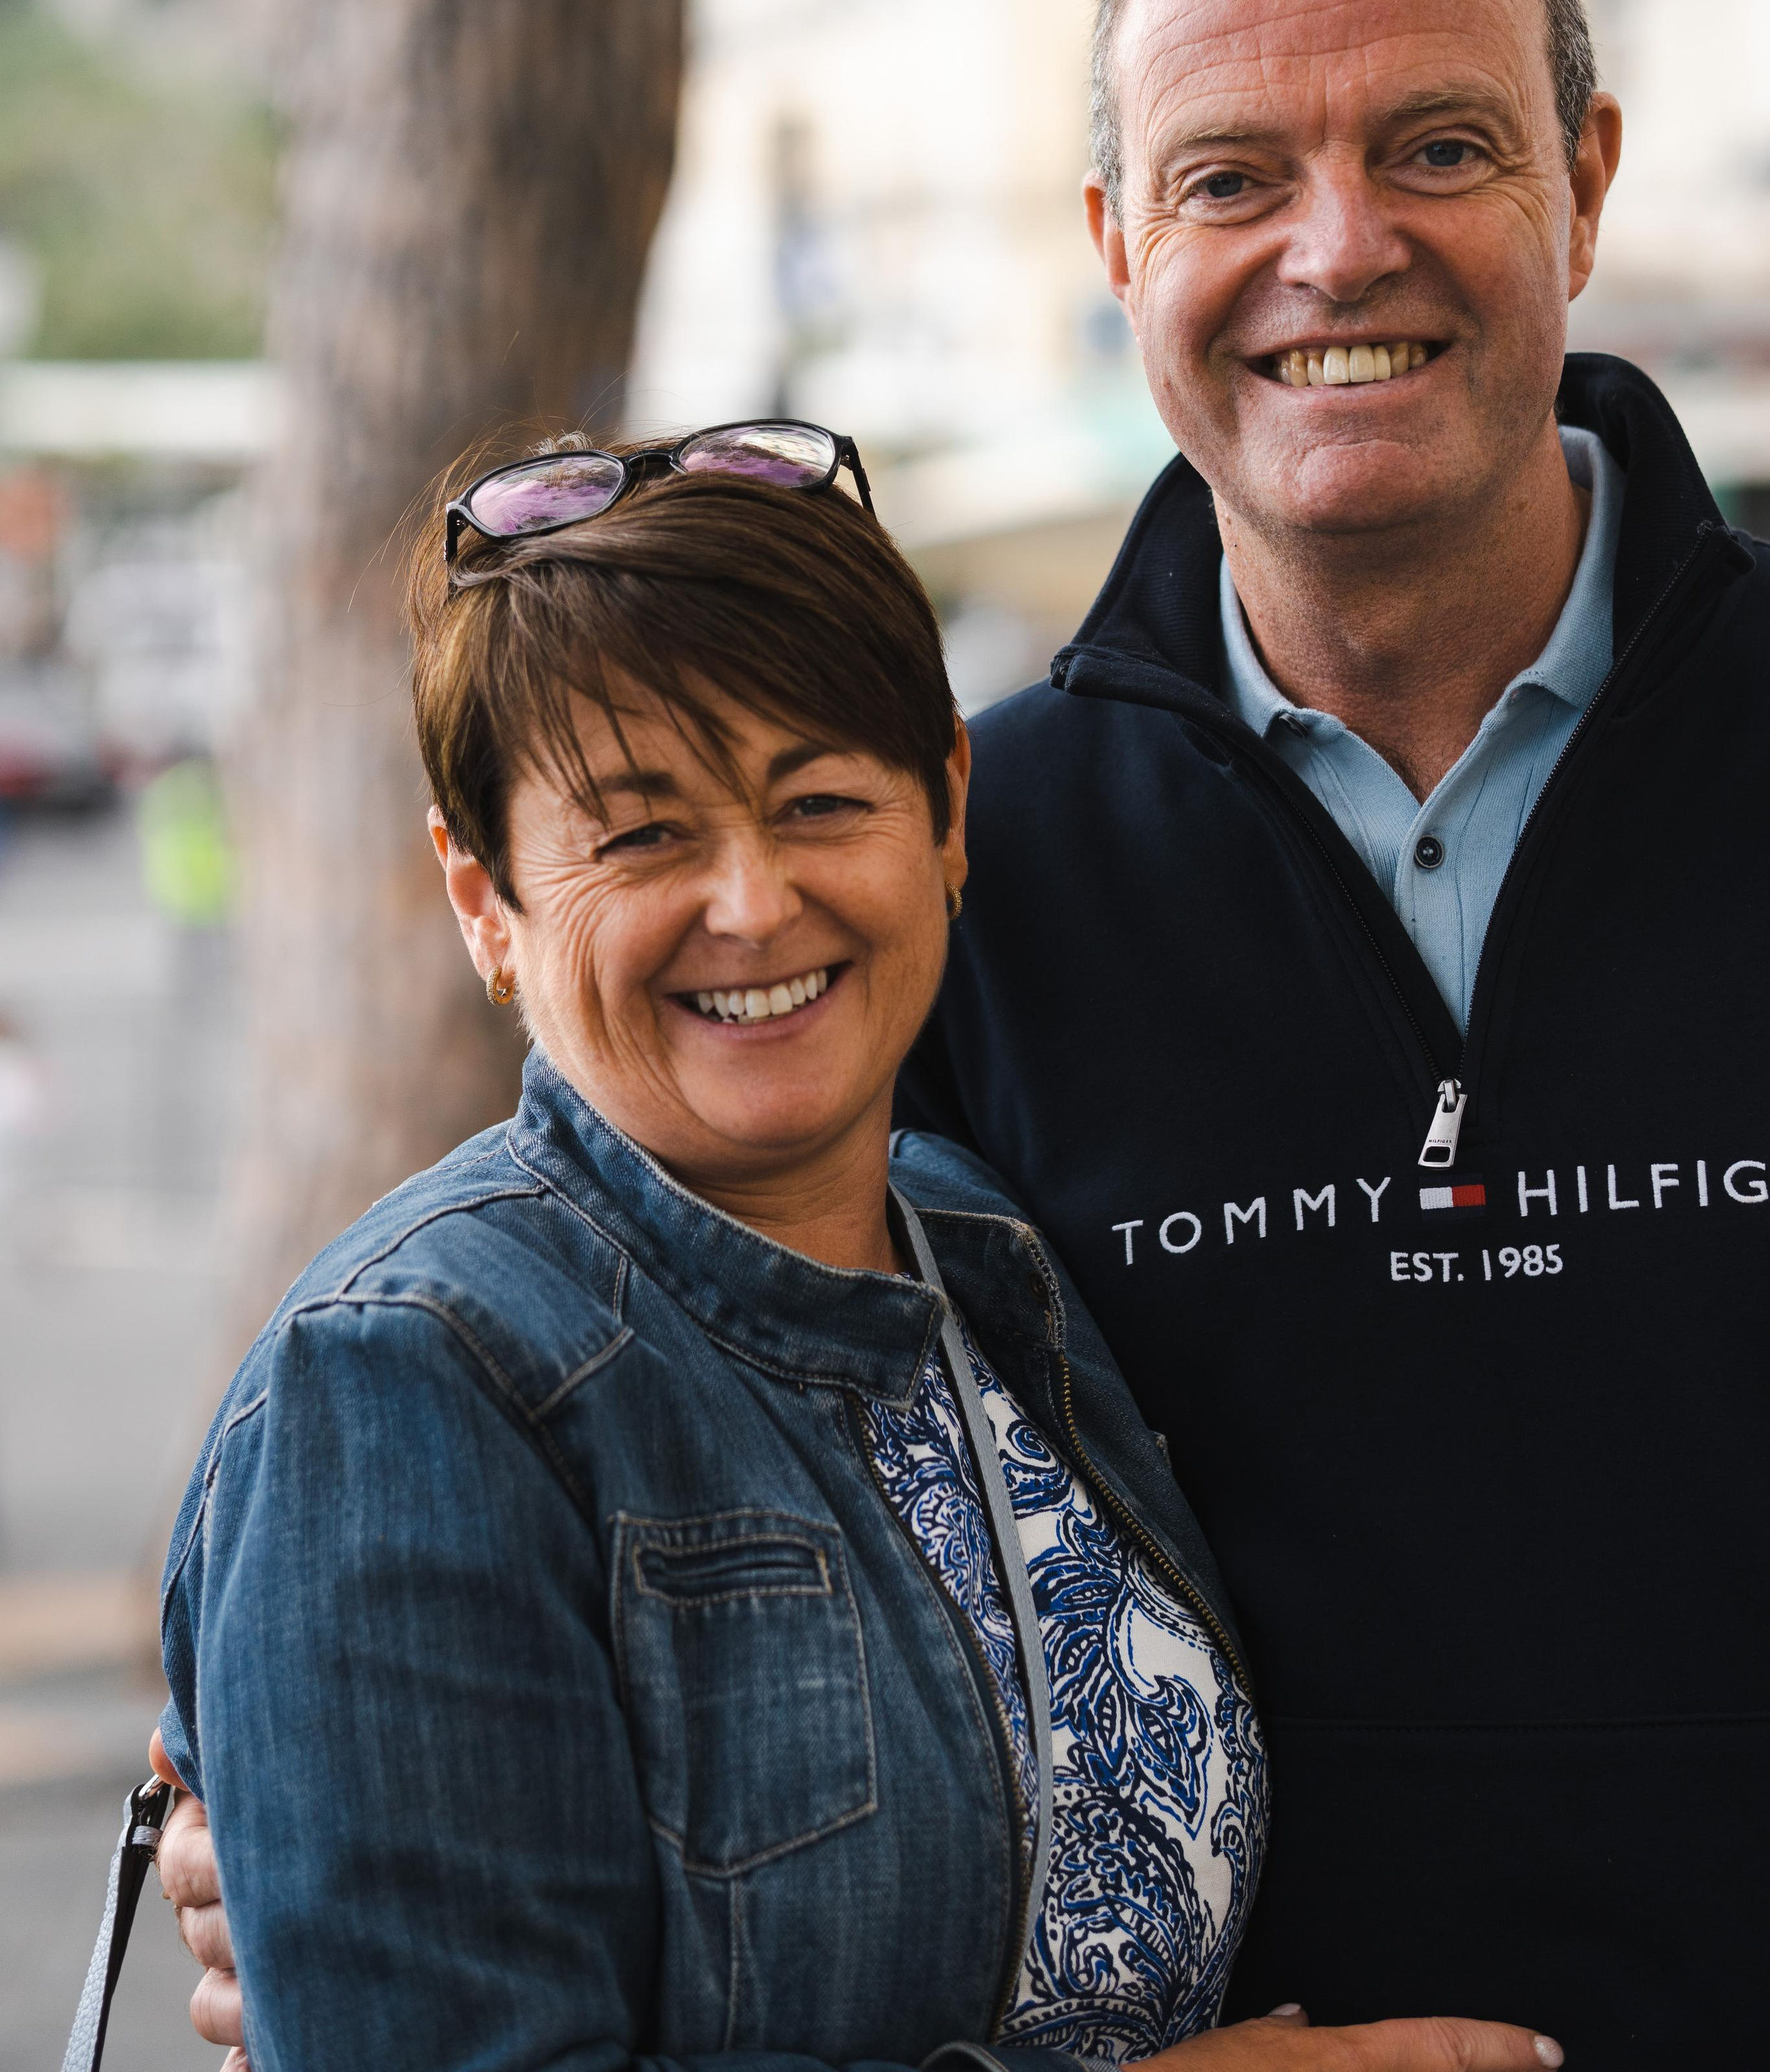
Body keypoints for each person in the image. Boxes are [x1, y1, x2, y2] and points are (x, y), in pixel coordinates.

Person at [147, 423, 1559, 2072]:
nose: (751, 902)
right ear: (482, 902)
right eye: (640, 833)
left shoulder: (980, 1257)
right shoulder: (410, 1381)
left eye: (818, 798)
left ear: (948, 813)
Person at [896, 0, 1769, 2064]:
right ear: (1116, 238)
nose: (1338, 247)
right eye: (1231, 179)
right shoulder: (941, 880)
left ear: (1584, 180)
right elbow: (702, 1497)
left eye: (1439, 147)